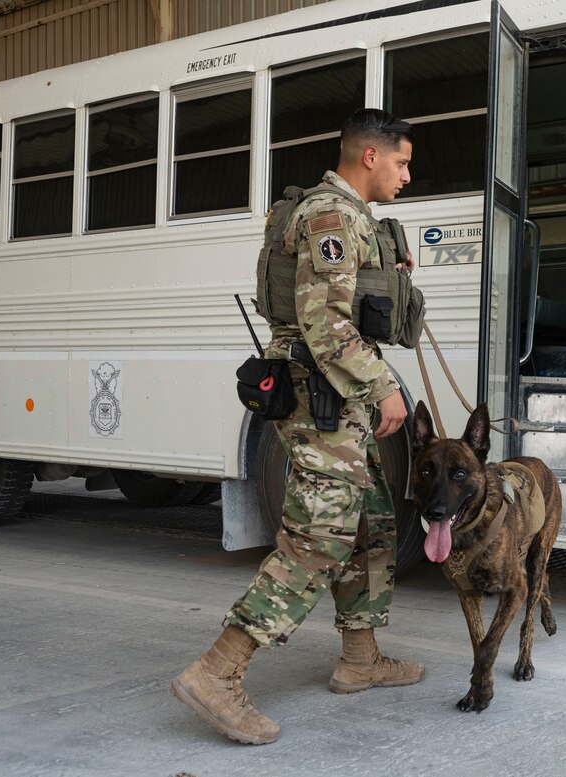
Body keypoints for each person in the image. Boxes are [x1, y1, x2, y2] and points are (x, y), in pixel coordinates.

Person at [172, 109, 422, 745]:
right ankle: (217, 671)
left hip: (338, 392)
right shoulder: (330, 217)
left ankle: (360, 659)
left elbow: (350, 312)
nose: (407, 175)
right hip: (323, 395)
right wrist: (385, 385)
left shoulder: (354, 219)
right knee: (317, 537)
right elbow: (325, 326)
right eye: (401, 162)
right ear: (369, 157)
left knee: (370, 520)